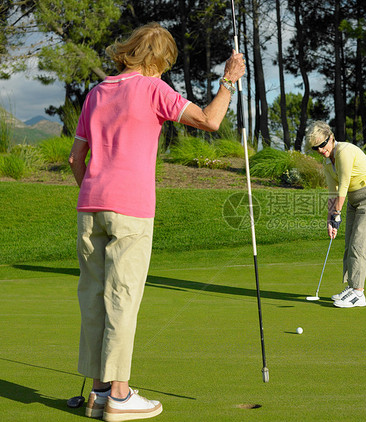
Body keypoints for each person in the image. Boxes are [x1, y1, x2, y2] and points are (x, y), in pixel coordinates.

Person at [68, 22, 245, 421]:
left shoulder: (96, 93)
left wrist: (94, 190)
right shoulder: (152, 88)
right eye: (166, 63)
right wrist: (228, 82)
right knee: (122, 299)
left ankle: (98, 392)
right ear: (159, 60)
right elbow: (210, 120)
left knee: (94, 298)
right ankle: (119, 395)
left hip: (89, 206)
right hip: (131, 208)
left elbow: (76, 160)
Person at [305, 121, 366, 308]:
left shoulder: (344, 151)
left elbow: (344, 183)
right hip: (353, 200)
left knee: (358, 244)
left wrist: (337, 213)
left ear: (331, 138)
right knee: (349, 243)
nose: (321, 150)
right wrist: (330, 220)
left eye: (323, 144)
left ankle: (359, 293)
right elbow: (333, 192)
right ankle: (352, 287)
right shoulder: (327, 162)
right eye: (316, 148)